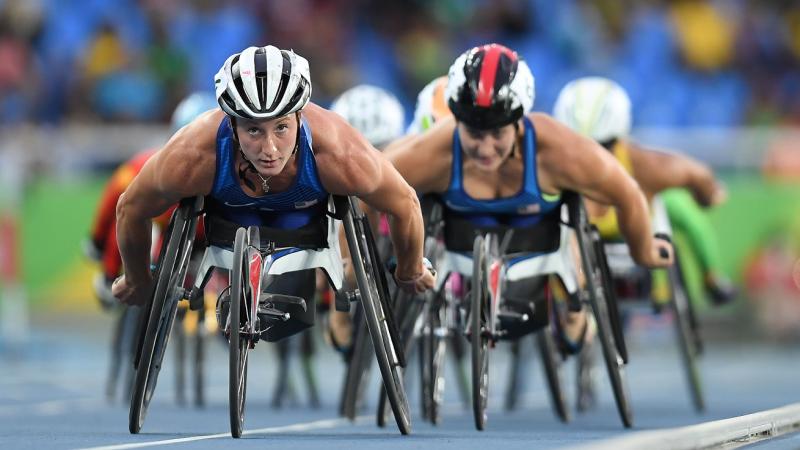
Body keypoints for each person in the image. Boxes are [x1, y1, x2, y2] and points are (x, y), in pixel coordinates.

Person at [112, 45, 434, 344]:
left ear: (300, 117)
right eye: (254, 130)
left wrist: (409, 271)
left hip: (305, 226)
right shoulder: (193, 155)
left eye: (281, 128)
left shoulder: (340, 153)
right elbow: (130, 208)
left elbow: (405, 203)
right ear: (232, 124)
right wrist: (137, 279)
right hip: (226, 222)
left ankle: (334, 311)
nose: (269, 149)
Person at [383, 43, 673, 356]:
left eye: (497, 134)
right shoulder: (435, 151)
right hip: (460, 238)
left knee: (572, 221)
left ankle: (573, 302)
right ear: (457, 121)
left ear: (519, 122)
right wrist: (364, 267)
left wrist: (643, 250)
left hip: (544, 240)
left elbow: (627, 193)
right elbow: (369, 189)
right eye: (474, 134)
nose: (485, 148)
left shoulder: (557, 149)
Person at [553, 76, 736, 305]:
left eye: (603, 146)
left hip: (636, 230)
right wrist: (707, 195)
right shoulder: (553, 166)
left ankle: (711, 276)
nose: (594, 159)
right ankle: (569, 304)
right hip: (578, 239)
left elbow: (697, 174)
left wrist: (707, 194)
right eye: (580, 146)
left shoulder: (643, 165)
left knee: (680, 207)